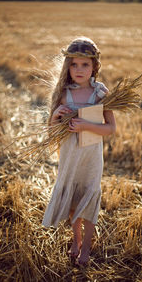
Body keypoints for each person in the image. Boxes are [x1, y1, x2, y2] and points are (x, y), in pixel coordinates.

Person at [42, 36, 116, 266]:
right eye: (74, 64)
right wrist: (55, 117)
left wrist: (85, 125)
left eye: (85, 64)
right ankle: (76, 240)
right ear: (68, 67)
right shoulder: (65, 94)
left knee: (89, 197)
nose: (79, 69)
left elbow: (110, 128)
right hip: (70, 155)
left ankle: (86, 248)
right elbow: (52, 130)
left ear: (95, 66)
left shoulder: (100, 94)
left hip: (91, 156)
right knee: (74, 201)